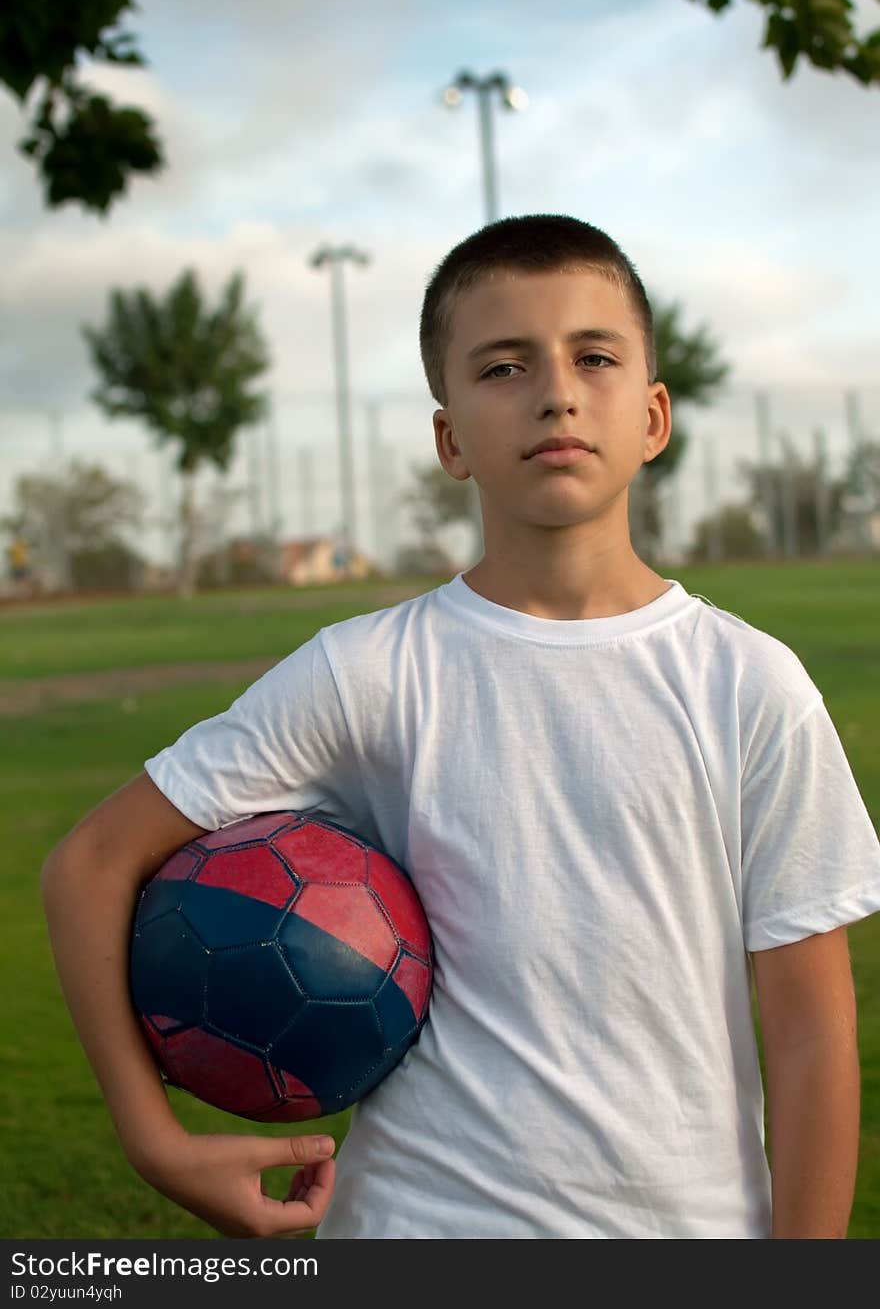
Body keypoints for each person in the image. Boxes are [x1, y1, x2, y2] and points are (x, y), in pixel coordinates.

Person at [41, 215, 880, 1240]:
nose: (556, 391)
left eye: (595, 356)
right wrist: (154, 1140)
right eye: (501, 367)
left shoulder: (749, 685)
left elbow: (807, 1031)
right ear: (449, 440)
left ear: (654, 416)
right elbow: (89, 865)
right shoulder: (367, 675)